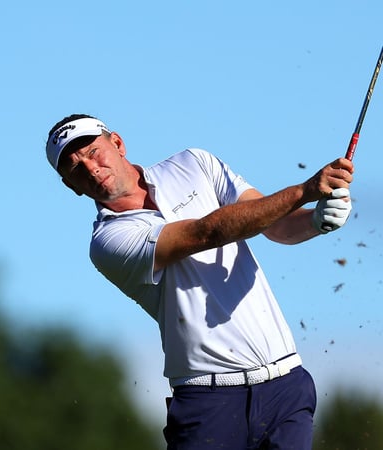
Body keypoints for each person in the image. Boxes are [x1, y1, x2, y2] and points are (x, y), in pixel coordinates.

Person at [45, 114, 354, 449]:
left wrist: (315, 219)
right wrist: (304, 190)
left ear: (117, 143)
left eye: (93, 152)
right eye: (75, 168)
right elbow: (207, 232)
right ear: (70, 186)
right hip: (208, 402)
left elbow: (274, 224)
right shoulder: (108, 242)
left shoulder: (194, 164)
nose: (90, 169)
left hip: (285, 386)